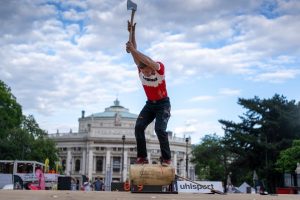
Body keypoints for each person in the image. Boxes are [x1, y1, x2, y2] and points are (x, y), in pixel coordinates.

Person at [126, 21, 171, 166]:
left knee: (159, 129)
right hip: (150, 105)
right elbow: (136, 55)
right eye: (142, 71)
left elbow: (145, 59)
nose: (145, 73)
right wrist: (132, 33)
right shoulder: (141, 69)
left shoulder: (159, 69)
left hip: (163, 104)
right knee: (139, 127)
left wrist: (133, 49)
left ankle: (166, 158)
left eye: (147, 71)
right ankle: (142, 157)